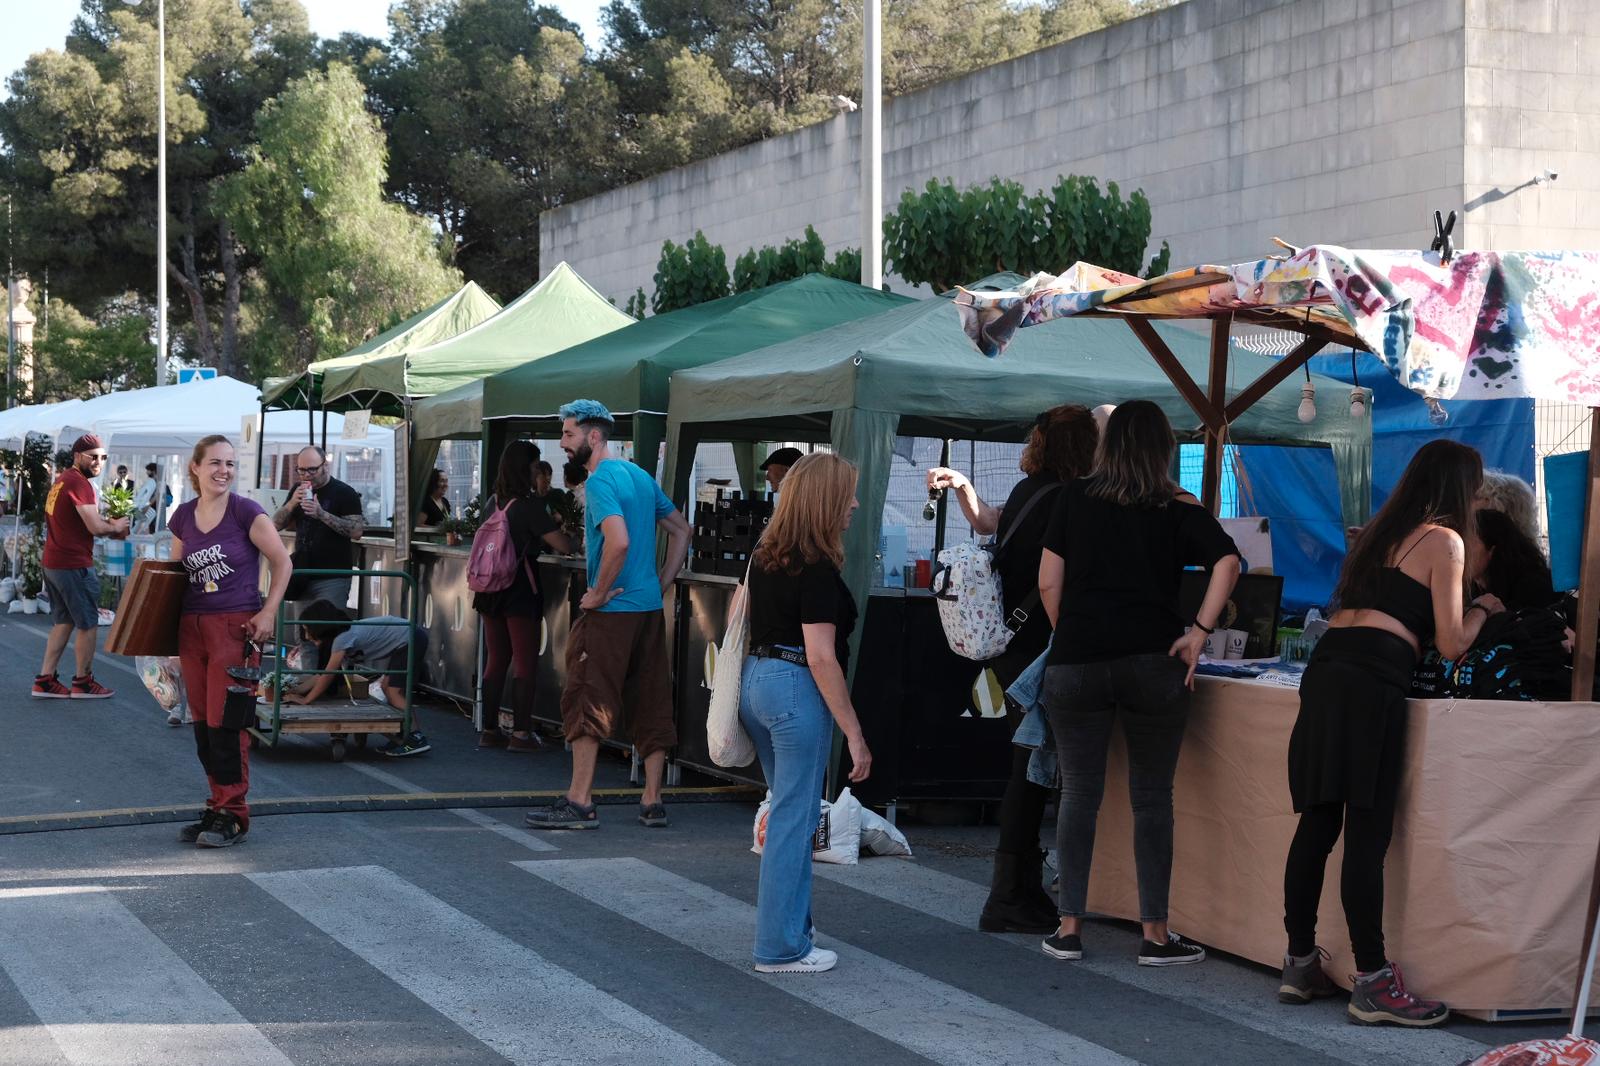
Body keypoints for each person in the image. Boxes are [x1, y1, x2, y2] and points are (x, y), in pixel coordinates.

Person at [1279, 439, 1501, 1026]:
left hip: (1327, 670)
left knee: (1317, 824)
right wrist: (1485, 609)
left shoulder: (1377, 535)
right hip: (1372, 681)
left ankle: (1299, 962)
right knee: (1366, 832)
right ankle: (1373, 980)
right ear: (1461, 489)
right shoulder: (1445, 541)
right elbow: (1451, 642)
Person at [1036, 400, 1241, 967]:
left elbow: (1048, 582)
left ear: (1107, 444)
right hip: (1155, 663)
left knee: (1079, 794)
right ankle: (1155, 934)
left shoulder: (1072, 497)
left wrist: (1073, 632)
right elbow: (1228, 563)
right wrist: (1199, 633)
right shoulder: (1177, 506)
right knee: (1152, 797)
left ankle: (1069, 928)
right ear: (1164, 450)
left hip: (1077, 661)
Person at [927, 404, 1100, 933]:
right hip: (1040, 647)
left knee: (1028, 765)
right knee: (1033, 769)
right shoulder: (1069, 498)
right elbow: (1054, 580)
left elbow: (991, 524)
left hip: (1011, 646)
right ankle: (1009, 894)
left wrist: (963, 486)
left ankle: (1019, 888)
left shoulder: (1031, 490)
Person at [524, 399, 691, 830]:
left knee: (586, 696)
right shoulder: (638, 475)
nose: (562, 442)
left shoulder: (599, 481)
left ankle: (579, 801)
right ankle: (652, 800)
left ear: (593, 436)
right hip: (647, 609)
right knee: (651, 698)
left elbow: (618, 542)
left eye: (568, 434)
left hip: (612, 611)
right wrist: (661, 582)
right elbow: (681, 530)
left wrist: (597, 593)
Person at [738, 452, 872, 973]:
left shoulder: (765, 553)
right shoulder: (815, 566)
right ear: (825, 500)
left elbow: (739, 617)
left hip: (757, 681)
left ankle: (795, 932)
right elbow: (820, 656)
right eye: (848, 494)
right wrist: (854, 733)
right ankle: (780, 947)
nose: (855, 503)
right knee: (794, 823)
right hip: (794, 686)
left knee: (788, 813)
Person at [168, 434, 292, 847]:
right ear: (196, 467)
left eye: (230, 464)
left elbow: (282, 562)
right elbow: (172, 578)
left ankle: (234, 814)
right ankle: (217, 803)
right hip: (192, 627)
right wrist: (163, 637)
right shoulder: (183, 516)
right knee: (203, 724)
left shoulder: (246, 511)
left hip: (236, 626)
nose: (224, 471)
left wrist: (268, 611)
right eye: (215, 463)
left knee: (228, 721)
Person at [474, 440, 572, 753]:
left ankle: (489, 730)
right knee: (524, 661)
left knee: (496, 659)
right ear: (525, 468)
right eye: (535, 466)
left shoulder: (493, 503)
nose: (537, 472)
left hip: (489, 589)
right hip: (520, 589)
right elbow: (563, 545)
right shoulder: (528, 506)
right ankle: (521, 734)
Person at [31, 435, 130, 700]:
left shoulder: (62, 480)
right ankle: (83, 682)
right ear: (77, 456)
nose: (99, 462)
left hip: (54, 562)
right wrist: (116, 526)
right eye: (93, 456)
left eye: (103, 457)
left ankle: (45, 680)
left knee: (63, 621)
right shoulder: (78, 482)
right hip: (72, 564)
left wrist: (106, 523)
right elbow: (95, 527)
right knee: (87, 623)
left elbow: (81, 520)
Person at [284, 600, 432, 757]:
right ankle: (404, 736)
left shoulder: (342, 639)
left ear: (321, 628)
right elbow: (321, 674)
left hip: (410, 637)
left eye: (308, 630)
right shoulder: (339, 638)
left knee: (393, 691)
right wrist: (295, 690)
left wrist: (306, 700)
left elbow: (328, 675)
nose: (307, 636)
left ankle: (416, 737)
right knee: (386, 688)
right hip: (406, 637)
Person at [272, 445, 364, 608]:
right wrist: (292, 503)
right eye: (301, 470)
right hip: (302, 574)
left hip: (333, 576)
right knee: (302, 623)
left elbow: (356, 531)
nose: (307, 475)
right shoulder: (297, 490)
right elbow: (275, 525)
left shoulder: (344, 492)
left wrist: (321, 514)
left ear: (325, 466)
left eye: (312, 470)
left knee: (325, 622)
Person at [133, 463, 164, 534]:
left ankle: (136, 534)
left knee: (146, 518)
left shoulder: (152, 482)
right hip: (139, 506)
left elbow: (148, 496)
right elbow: (144, 495)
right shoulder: (151, 482)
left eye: (148, 470)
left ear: (153, 471)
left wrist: (146, 506)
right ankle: (136, 534)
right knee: (147, 518)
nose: (146, 472)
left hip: (139, 506)